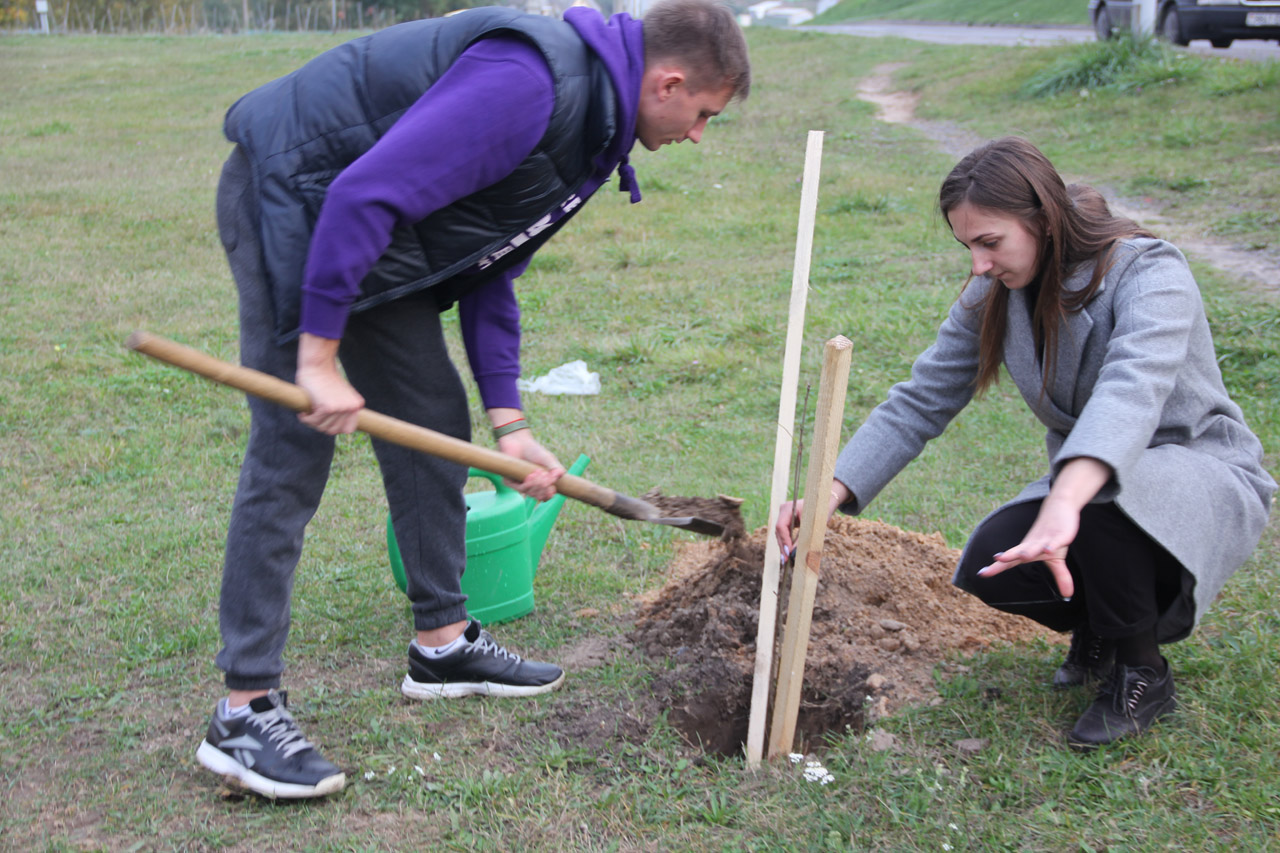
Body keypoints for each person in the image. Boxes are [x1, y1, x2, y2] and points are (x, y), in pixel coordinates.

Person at [197, 0, 750, 799]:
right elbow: (362, 194)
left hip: (371, 226)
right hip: (298, 195)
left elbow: (494, 261)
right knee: (293, 446)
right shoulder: (532, 83)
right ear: (667, 82)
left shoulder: (595, 123)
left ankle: (442, 642)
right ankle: (243, 711)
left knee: (429, 412)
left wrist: (511, 424)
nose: (699, 134)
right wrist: (317, 358)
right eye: (703, 114)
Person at [776, 137, 1274, 751]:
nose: (979, 265)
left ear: (1042, 219)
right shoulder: (994, 293)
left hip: (1198, 472)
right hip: (1090, 488)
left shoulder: (1151, 273)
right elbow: (921, 398)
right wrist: (829, 491)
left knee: (1098, 503)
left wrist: (1065, 500)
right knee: (990, 566)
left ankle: (1141, 669)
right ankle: (1097, 624)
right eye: (968, 247)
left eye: (991, 242)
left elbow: (1132, 390)